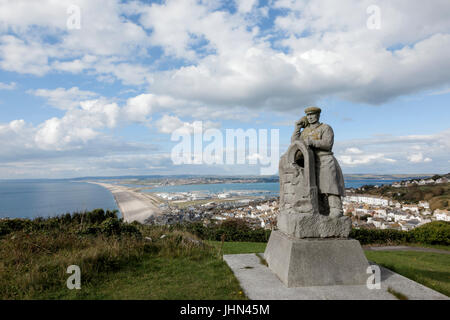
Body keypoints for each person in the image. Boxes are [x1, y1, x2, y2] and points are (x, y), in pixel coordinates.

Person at [291, 106, 345, 217]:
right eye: (308, 115)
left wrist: (312, 142)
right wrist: (297, 128)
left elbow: (328, 144)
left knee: (330, 185)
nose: (310, 117)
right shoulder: (305, 131)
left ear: (318, 115)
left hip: (325, 159)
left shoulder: (325, 128)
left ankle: (336, 209)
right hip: (310, 162)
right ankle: (322, 209)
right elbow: (294, 144)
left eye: (312, 114)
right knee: (315, 188)